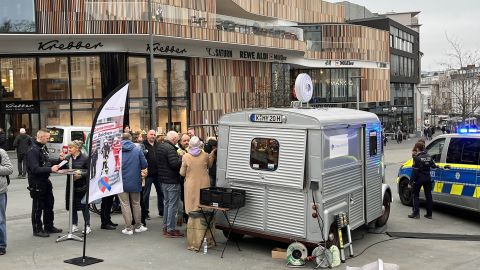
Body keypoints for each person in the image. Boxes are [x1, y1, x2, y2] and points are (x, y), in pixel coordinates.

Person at [26, 129, 62, 237]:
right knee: (38, 207)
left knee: (49, 204)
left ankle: (49, 226)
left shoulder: (42, 148)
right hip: (37, 182)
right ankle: (37, 229)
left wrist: (59, 161)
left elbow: (48, 162)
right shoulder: (33, 150)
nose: (48, 139)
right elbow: (35, 169)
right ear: (40, 137)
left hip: (45, 180)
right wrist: (51, 169)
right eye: (47, 137)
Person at [119, 133, 148, 235]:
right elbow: (144, 164)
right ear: (131, 139)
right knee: (136, 204)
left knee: (125, 204)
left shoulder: (117, 150)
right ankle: (138, 225)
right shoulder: (137, 149)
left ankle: (128, 228)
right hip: (135, 181)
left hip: (121, 182)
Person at [157, 131, 183, 238]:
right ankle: (170, 229)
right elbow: (174, 164)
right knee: (172, 205)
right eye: (177, 139)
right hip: (172, 180)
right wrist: (181, 158)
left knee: (167, 204)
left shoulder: (161, 147)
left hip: (164, 180)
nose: (178, 141)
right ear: (173, 139)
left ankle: (166, 227)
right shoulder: (171, 148)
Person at [61, 141, 91, 234]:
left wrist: (81, 176)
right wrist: (60, 160)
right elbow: (60, 166)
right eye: (69, 147)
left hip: (82, 186)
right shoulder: (67, 158)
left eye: (71, 147)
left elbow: (89, 171)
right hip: (71, 186)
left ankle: (87, 225)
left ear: (77, 148)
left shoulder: (85, 158)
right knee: (72, 205)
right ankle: (74, 224)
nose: (69, 149)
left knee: (83, 206)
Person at [180, 136, 214, 215]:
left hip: (191, 183)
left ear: (190, 145)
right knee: (204, 203)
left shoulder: (186, 156)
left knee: (192, 204)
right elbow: (209, 165)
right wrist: (212, 156)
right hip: (204, 183)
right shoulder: (205, 155)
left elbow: (182, 173)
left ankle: (193, 223)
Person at [408, 142, 437, 219]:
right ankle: (429, 214)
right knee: (428, 196)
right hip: (427, 178)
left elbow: (414, 171)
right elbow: (434, 166)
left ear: (417, 149)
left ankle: (416, 213)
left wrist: (410, 182)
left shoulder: (417, 158)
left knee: (415, 195)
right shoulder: (429, 156)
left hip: (419, 179)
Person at [143, 130, 163, 219]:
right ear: (147, 135)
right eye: (151, 134)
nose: (153, 136)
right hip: (148, 174)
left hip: (158, 173)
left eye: (154, 135)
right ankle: (145, 212)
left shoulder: (158, 145)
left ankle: (162, 211)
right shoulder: (143, 145)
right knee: (146, 194)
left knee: (161, 192)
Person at [0, 147, 13, 255]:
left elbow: (9, 169)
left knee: (0, 220)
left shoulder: (1, 152)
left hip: (0, 192)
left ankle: (1, 245)